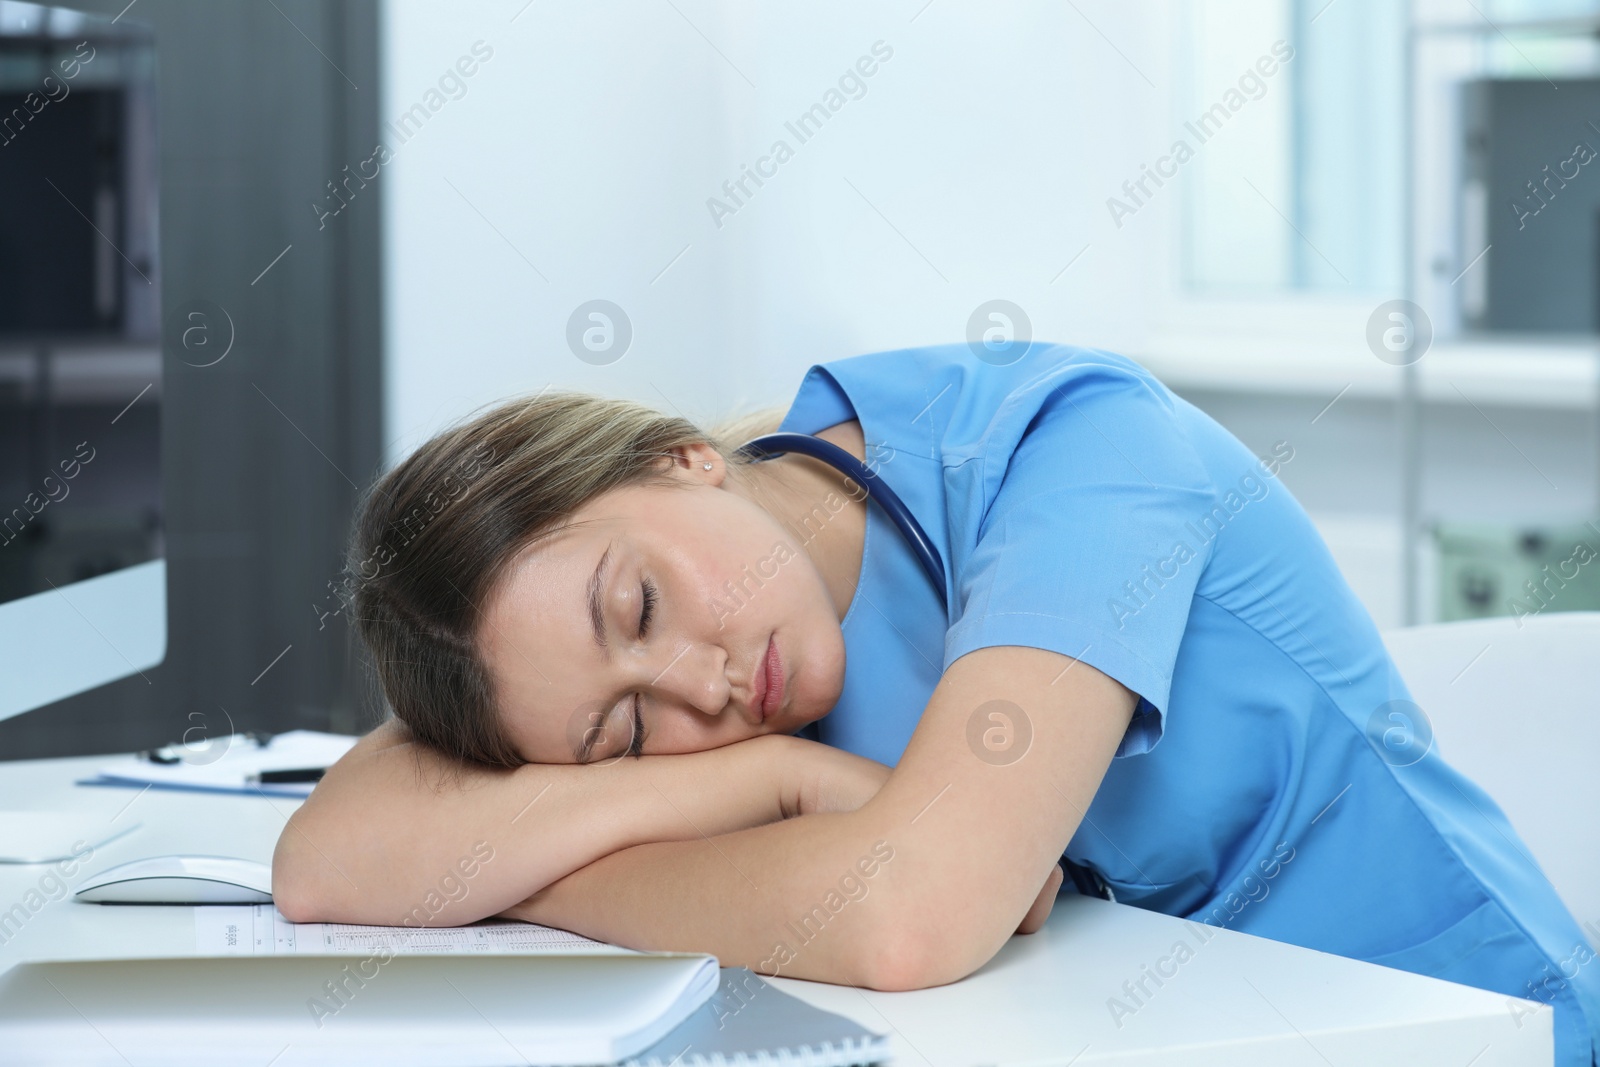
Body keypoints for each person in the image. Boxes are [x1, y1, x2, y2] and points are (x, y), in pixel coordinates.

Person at [273, 341, 1599, 1065]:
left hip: (1443, 1027)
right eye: (621, 738)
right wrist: (757, 786)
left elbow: (917, 916)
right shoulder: (702, 682)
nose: (699, 690)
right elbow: (332, 857)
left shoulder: (1077, 453)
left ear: (683, 460)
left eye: (640, 608)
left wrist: (537, 858)